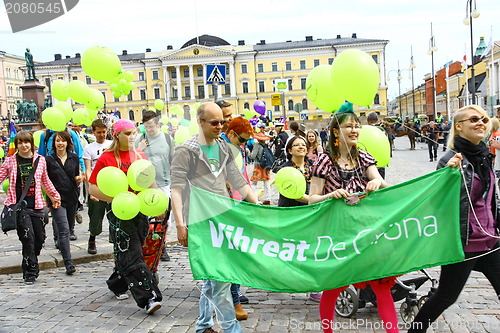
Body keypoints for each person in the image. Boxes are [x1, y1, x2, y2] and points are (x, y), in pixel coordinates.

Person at [408, 105, 500, 332]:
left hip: (490, 240)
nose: (480, 122)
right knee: (445, 297)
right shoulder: (450, 160)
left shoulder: (485, 156)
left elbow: (489, 198)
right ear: (459, 127)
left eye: (483, 118)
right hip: (463, 243)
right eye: (473, 119)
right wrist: (446, 177)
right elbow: (436, 202)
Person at [170, 102, 258, 333]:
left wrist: (258, 208)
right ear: (200, 122)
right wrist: (180, 224)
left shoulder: (222, 146)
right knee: (221, 278)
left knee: (213, 278)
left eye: (222, 122)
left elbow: (238, 180)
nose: (220, 126)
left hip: (223, 219)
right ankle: (231, 329)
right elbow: (176, 189)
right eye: (215, 122)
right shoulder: (185, 151)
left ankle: (203, 326)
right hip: (199, 221)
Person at [308, 103, 395, 333]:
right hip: (339, 234)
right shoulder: (324, 161)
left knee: (382, 287)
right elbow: (312, 199)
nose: (355, 130)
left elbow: (383, 184)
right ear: (336, 131)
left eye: (357, 126)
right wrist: (330, 195)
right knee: (333, 287)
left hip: (367, 231)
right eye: (349, 126)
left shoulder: (364, 156)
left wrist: (377, 182)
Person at [88, 119, 163, 315]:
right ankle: (148, 297)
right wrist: (117, 198)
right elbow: (92, 187)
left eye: (133, 133)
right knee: (132, 252)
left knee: (130, 251)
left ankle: (117, 284)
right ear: (117, 135)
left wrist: (158, 204)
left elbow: (149, 181)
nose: (131, 137)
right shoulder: (106, 158)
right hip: (119, 212)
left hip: (141, 211)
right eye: (127, 133)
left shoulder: (140, 155)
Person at [0, 131, 61, 284]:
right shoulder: (10, 162)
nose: (24, 145)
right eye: (20, 143)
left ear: (31, 143)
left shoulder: (40, 160)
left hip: (38, 205)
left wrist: (55, 196)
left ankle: (27, 261)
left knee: (39, 239)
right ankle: (31, 272)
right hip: (19, 206)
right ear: (17, 145)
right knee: (28, 238)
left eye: (26, 142)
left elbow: (45, 181)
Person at [224, 116, 254, 320]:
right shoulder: (221, 149)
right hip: (225, 207)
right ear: (232, 134)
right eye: (242, 140)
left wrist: (252, 198)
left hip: (240, 202)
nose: (244, 144)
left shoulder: (238, 148)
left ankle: (231, 296)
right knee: (231, 253)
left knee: (237, 252)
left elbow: (242, 174)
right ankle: (233, 301)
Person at [135, 111, 175, 262]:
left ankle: (161, 245)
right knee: (147, 216)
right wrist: (139, 149)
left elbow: (174, 159)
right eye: (146, 127)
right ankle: (148, 245)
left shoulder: (167, 139)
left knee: (165, 218)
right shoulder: (141, 139)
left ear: (158, 124)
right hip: (145, 184)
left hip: (164, 182)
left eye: (151, 126)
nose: (149, 130)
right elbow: (133, 158)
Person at [45, 131, 83, 275]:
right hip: (57, 200)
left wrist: (79, 178)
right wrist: (50, 198)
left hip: (72, 197)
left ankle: (61, 244)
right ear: (53, 144)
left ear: (68, 143)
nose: (60, 143)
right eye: (57, 141)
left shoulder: (73, 157)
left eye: (63, 141)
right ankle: (68, 263)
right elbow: (45, 180)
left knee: (69, 226)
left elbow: (75, 175)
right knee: (64, 230)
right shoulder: (48, 160)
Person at [83, 119, 112, 254]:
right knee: (95, 215)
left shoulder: (112, 145)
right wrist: (91, 189)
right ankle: (92, 238)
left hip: (112, 184)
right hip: (97, 184)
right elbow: (88, 170)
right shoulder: (89, 148)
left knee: (114, 214)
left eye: (104, 132)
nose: (102, 135)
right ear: (93, 132)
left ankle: (115, 240)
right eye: (99, 132)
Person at [250, 132, 272, 205]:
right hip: (266, 167)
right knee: (266, 183)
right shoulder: (266, 145)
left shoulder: (257, 145)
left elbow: (252, 156)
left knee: (253, 183)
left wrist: (248, 153)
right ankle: (268, 199)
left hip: (258, 166)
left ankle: (254, 198)